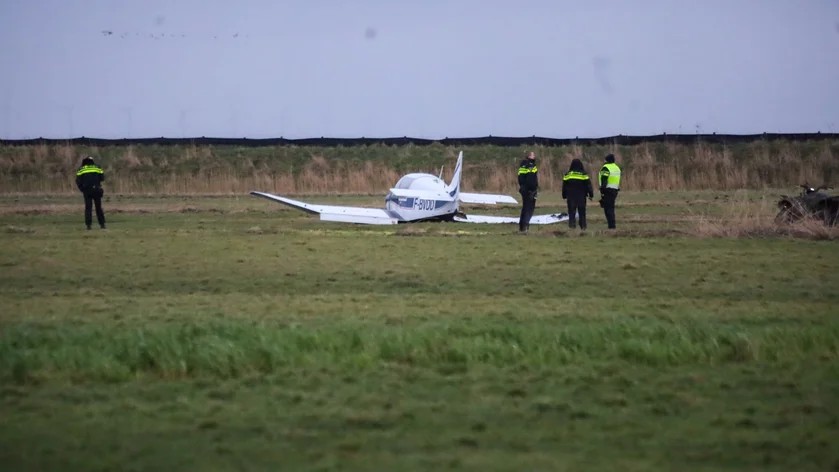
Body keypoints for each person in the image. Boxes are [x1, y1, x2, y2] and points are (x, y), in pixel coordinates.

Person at [75, 156, 106, 230]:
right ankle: (102, 224)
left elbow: (78, 181)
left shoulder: (81, 169)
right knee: (98, 207)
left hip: (87, 191)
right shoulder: (98, 167)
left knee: (88, 208)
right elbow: (102, 178)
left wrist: (82, 189)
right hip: (97, 189)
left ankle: (88, 225)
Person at [562, 158, 594, 230]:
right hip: (581, 196)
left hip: (571, 196)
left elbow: (564, 186)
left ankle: (572, 226)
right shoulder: (583, 174)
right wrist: (591, 194)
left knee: (571, 212)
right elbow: (588, 185)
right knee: (582, 212)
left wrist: (564, 195)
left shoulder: (568, 174)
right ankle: (583, 226)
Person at [517, 151, 538, 233]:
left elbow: (520, 178)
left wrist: (522, 186)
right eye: (533, 155)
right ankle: (526, 226)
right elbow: (531, 179)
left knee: (525, 207)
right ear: (530, 156)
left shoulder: (522, 165)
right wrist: (533, 189)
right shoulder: (531, 166)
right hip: (530, 190)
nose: (535, 156)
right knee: (529, 208)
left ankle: (521, 226)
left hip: (523, 189)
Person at [598, 153, 622, 229]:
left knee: (608, 209)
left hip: (607, 190)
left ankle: (611, 226)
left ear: (606, 160)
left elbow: (604, 179)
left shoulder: (606, 168)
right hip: (615, 190)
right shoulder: (617, 168)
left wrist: (602, 190)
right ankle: (612, 225)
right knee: (611, 208)